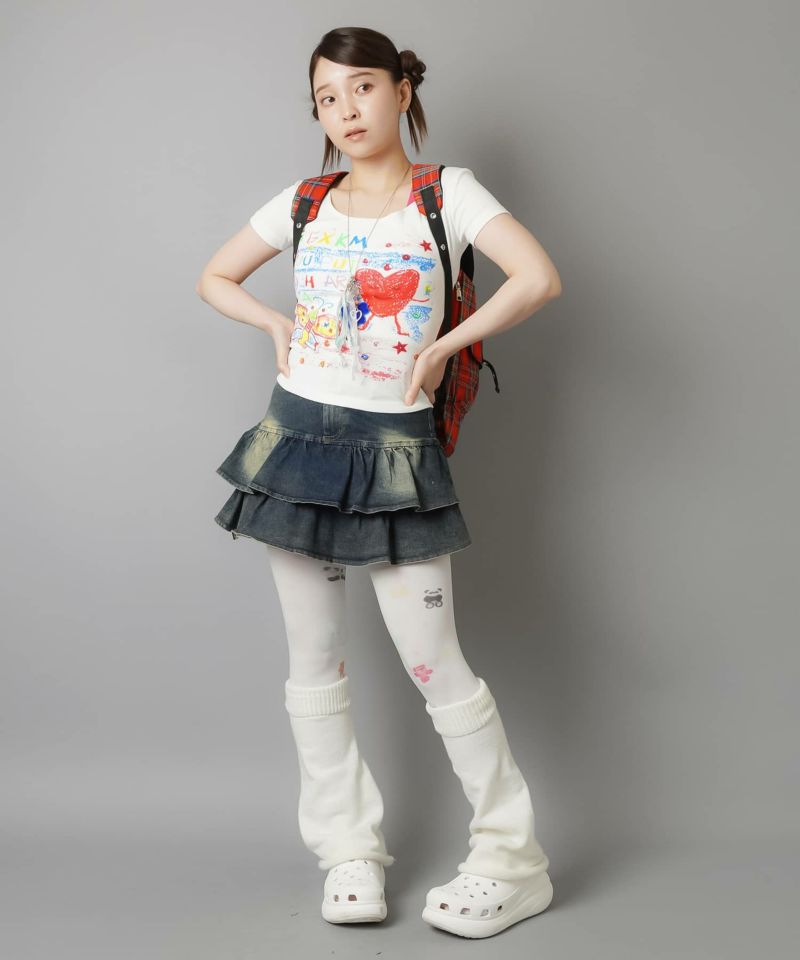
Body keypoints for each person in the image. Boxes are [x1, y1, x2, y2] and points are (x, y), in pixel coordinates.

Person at [196, 25, 562, 940]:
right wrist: (274, 327)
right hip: (296, 445)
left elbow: (538, 278)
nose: (345, 110)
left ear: (402, 90)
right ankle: (346, 851)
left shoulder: (448, 193)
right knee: (314, 663)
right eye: (327, 97)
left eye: (361, 87)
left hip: (395, 453)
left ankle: (512, 861)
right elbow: (215, 277)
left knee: (436, 663)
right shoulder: (305, 201)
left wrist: (444, 347)